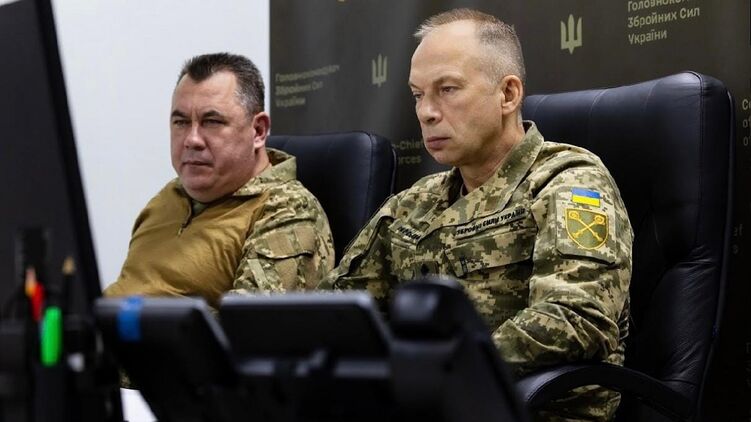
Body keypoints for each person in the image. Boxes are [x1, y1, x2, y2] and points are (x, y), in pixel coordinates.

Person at [320, 9, 632, 421]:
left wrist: (435, 374)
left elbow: (576, 318)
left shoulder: (569, 182)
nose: (426, 112)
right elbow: (334, 310)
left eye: (447, 89)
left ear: (508, 94)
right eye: (418, 95)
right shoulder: (414, 203)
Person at [105, 53, 334, 309]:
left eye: (211, 122)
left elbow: (252, 327)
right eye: (181, 122)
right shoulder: (170, 195)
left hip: (157, 335)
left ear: (258, 131)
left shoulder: (286, 211)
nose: (192, 139)